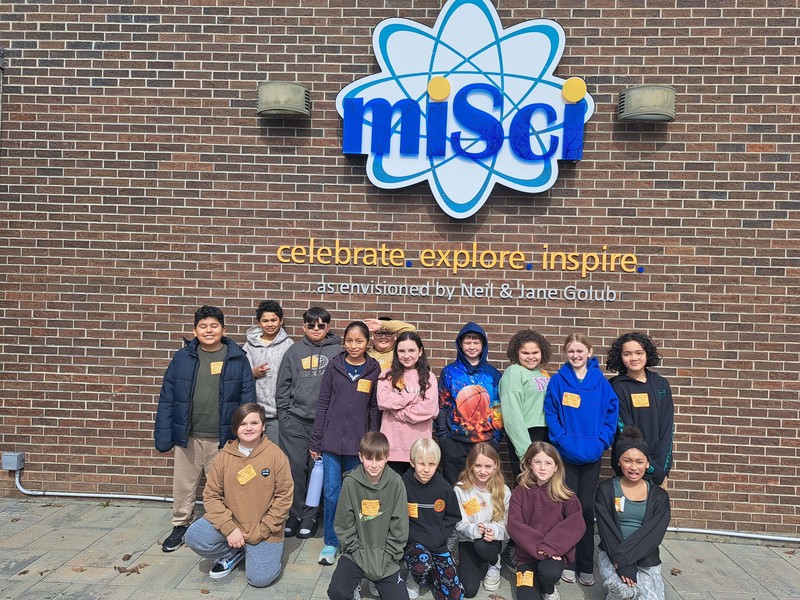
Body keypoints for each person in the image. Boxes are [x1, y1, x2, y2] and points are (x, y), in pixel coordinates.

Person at [155, 305, 255, 553]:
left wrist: (244, 433)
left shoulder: (237, 358)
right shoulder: (182, 358)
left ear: (224, 329)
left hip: (223, 437)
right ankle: (180, 525)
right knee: (183, 484)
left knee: (224, 488)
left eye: (214, 326)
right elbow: (168, 396)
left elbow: (247, 397)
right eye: (203, 326)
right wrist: (165, 431)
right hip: (188, 435)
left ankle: (225, 528)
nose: (209, 330)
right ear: (194, 330)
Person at [183, 403, 293, 586]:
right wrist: (229, 527)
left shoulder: (276, 456)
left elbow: (284, 497)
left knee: (259, 580)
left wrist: (263, 530)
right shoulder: (223, 457)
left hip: (264, 530)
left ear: (263, 426)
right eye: (243, 424)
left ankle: (254, 551)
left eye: (254, 423)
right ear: (235, 428)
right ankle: (234, 551)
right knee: (193, 536)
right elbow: (211, 496)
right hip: (232, 524)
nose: (248, 428)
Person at [544, 333, 618, 587]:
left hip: (592, 455)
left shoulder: (601, 382)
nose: (575, 355)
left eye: (580, 350)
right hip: (566, 454)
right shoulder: (558, 381)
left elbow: (611, 414)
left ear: (589, 351)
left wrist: (602, 442)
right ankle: (568, 561)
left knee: (585, 509)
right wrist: (561, 439)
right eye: (570, 351)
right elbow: (551, 412)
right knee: (566, 508)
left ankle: (586, 564)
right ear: (565, 353)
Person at [310, 321, 381, 565]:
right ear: (344, 342)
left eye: (359, 341)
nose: (353, 345)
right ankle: (331, 542)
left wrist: (371, 439)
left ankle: (353, 541)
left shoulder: (374, 369)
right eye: (349, 341)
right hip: (330, 443)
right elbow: (323, 404)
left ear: (367, 343)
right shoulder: (334, 367)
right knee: (331, 494)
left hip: (357, 446)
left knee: (355, 494)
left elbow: (374, 407)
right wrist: (316, 440)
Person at [275, 307, 342, 540]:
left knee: (317, 471)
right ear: (303, 327)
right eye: (311, 325)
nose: (316, 329)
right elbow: (282, 385)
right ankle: (294, 514)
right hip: (294, 421)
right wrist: (284, 415)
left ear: (328, 327)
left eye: (321, 325)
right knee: (294, 468)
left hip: (323, 423)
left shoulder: (339, 351)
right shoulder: (294, 351)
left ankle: (310, 515)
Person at [327, 432, 410, 600]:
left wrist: (388, 556)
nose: (373, 465)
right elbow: (344, 524)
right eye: (368, 458)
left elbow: (399, 526)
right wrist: (358, 553)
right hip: (356, 553)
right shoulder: (350, 482)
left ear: (387, 457)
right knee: (337, 592)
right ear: (360, 457)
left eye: (379, 459)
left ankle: (375, 579)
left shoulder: (396, 482)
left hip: (385, 556)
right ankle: (355, 584)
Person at [595, 427, 670, 600]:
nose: (634, 467)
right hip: (613, 553)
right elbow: (607, 531)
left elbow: (652, 535)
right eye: (627, 461)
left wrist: (625, 559)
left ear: (647, 463)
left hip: (645, 556)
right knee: (622, 591)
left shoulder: (659, 497)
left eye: (639, 461)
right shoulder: (606, 490)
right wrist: (621, 563)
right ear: (619, 462)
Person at [508, 441, 586, 600]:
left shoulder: (565, 495)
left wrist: (551, 546)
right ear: (530, 463)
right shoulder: (520, 491)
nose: (542, 467)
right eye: (537, 462)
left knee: (549, 573)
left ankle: (548, 588)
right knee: (526, 597)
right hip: (526, 555)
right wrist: (539, 546)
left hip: (553, 554)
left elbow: (576, 524)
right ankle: (533, 578)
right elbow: (514, 525)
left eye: (548, 463)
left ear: (556, 466)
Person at [436, 322, 502, 485]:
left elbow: (498, 408)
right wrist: (444, 438)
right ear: (460, 344)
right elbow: (442, 406)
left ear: (483, 345)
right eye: (467, 342)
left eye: (476, 342)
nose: (471, 346)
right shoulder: (449, 372)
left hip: (484, 443)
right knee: (455, 490)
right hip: (454, 442)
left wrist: (495, 439)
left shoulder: (492, 373)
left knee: (482, 490)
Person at [606, 333, 674, 486]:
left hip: (658, 467)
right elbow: (625, 429)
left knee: (656, 509)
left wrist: (660, 468)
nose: (634, 358)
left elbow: (667, 427)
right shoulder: (616, 387)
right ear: (620, 357)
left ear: (647, 354)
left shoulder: (661, 384)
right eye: (627, 354)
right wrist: (644, 463)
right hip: (630, 467)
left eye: (639, 353)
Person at [402, 438, 464, 600]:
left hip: (438, 545)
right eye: (422, 464)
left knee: (454, 595)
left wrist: (441, 537)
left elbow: (452, 516)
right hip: (413, 544)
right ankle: (416, 577)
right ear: (412, 462)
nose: (426, 469)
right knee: (421, 565)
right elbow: (397, 517)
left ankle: (433, 575)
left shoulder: (444, 488)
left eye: (432, 464)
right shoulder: (402, 485)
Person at [453, 442, 511, 597]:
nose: (483, 471)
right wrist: (473, 529)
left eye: (488, 466)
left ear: (495, 466)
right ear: (470, 465)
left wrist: (494, 531)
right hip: (468, 539)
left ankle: (494, 563)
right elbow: (458, 523)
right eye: (478, 466)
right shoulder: (460, 489)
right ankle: (469, 559)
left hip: (492, 542)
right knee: (469, 590)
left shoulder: (504, 491)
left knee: (483, 547)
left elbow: (507, 527)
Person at [378, 331, 439, 473]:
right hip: (392, 447)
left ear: (420, 352)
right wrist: (411, 398)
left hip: (419, 448)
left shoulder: (429, 378)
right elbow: (383, 400)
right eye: (401, 351)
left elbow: (429, 409)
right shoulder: (387, 376)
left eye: (411, 350)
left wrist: (398, 412)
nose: (406, 355)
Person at [499, 329, 553, 480]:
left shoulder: (543, 373)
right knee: (527, 485)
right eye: (525, 353)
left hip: (545, 434)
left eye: (535, 352)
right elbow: (512, 414)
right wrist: (525, 452)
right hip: (526, 435)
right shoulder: (514, 372)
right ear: (517, 353)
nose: (531, 357)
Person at [244, 299, 294, 444]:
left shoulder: (289, 346)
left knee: (274, 456)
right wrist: (251, 373)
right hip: (253, 413)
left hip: (278, 415)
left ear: (281, 321)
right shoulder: (249, 346)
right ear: (259, 323)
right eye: (265, 321)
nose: (270, 324)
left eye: (273, 320)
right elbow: (240, 375)